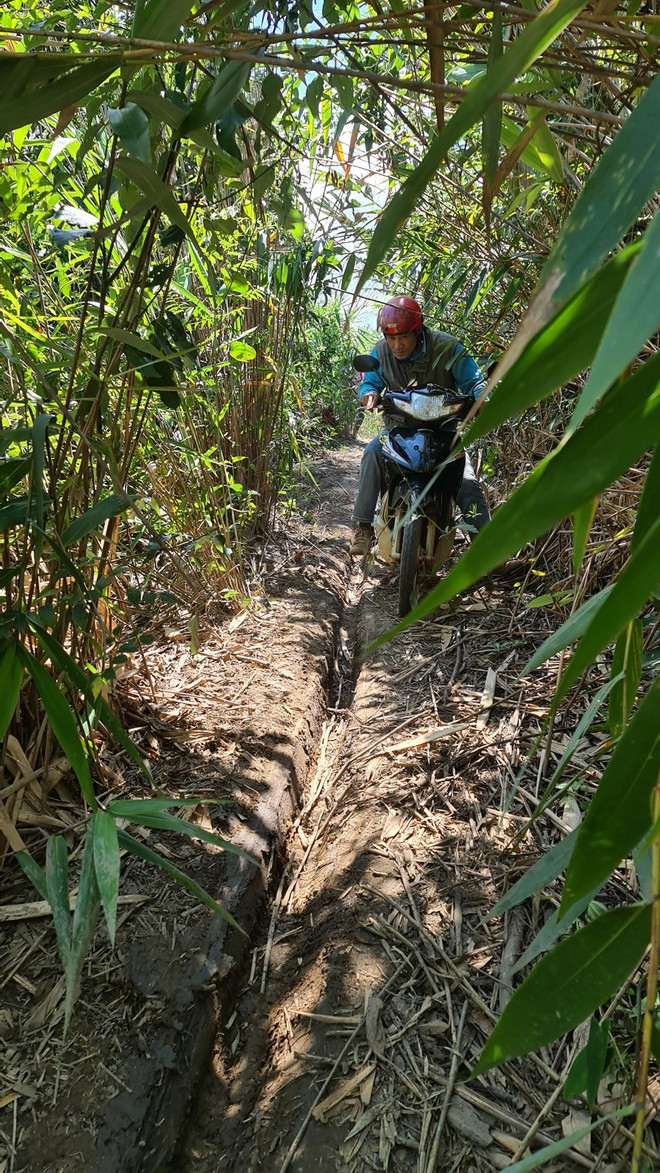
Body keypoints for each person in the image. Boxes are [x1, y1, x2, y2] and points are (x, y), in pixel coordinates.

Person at [350, 296, 490, 555]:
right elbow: (370, 381)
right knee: (371, 453)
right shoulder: (380, 352)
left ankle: (491, 552)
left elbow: (474, 380)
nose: (397, 345)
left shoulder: (447, 348)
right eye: (391, 338)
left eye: (403, 337)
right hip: (398, 430)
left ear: (418, 330)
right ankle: (362, 527)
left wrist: (482, 395)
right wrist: (369, 393)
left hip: (444, 431)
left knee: (467, 481)